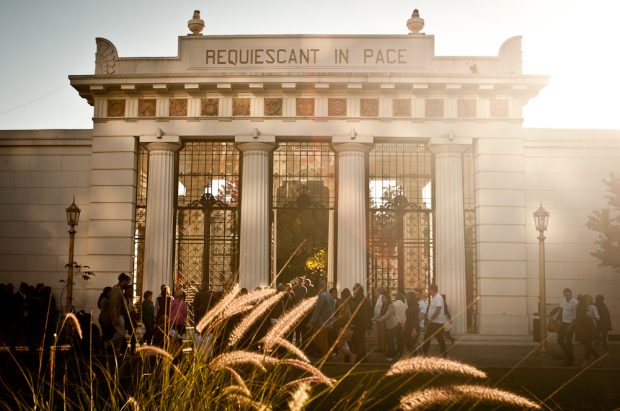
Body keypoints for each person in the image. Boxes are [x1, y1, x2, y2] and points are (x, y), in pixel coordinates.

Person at [307, 278, 335, 358]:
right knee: (323, 339)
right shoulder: (330, 296)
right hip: (328, 322)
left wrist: (311, 322)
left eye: (319, 284)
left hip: (320, 323)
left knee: (320, 340)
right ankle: (325, 355)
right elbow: (333, 310)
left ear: (320, 286)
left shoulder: (321, 296)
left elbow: (317, 311)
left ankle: (326, 356)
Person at [372, 293, 401, 361]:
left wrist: (377, 320)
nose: (382, 299)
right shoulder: (383, 305)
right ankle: (390, 352)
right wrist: (373, 318)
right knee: (388, 340)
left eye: (384, 298)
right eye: (382, 298)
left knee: (390, 340)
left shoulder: (391, 306)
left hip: (393, 325)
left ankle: (392, 355)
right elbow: (380, 313)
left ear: (388, 299)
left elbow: (386, 316)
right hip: (388, 326)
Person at [422, 284, 447, 358]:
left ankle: (425, 353)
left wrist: (431, 319)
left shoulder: (438, 297)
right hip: (435, 322)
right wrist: (428, 315)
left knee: (427, 337)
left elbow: (438, 309)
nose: (428, 291)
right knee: (439, 338)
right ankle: (444, 354)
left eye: (429, 290)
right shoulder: (435, 297)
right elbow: (433, 309)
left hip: (435, 322)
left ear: (432, 290)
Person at [108, 273, 131, 354]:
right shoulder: (116, 289)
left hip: (120, 314)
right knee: (121, 333)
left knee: (122, 333)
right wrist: (115, 316)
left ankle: (117, 350)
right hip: (116, 314)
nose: (128, 284)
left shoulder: (120, 290)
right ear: (123, 281)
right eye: (127, 282)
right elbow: (114, 304)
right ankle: (108, 344)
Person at [349, 283, 372, 361]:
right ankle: (361, 357)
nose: (353, 290)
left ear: (358, 290)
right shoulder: (360, 298)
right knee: (359, 340)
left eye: (354, 289)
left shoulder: (360, 299)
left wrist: (366, 326)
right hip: (359, 323)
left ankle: (360, 357)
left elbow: (364, 313)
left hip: (360, 324)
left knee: (359, 341)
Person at [575, 294, 599, 364]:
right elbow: (585, 316)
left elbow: (582, 317)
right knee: (587, 343)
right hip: (586, 328)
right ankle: (595, 356)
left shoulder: (581, 307)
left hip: (586, 328)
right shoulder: (582, 307)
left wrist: (589, 315)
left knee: (587, 343)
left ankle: (587, 359)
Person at [558, 287, 578, 366]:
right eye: (565, 294)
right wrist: (559, 320)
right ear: (564, 294)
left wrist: (571, 325)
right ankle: (570, 355)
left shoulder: (575, 302)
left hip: (570, 324)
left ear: (571, 293)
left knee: (568, 342)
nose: (567, 295)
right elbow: (561, 311)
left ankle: (569, 359)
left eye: (568, 293)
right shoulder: (563, 301)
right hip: (563, 323)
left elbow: (575, 316)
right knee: (559, 341)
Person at [404, 291, 420, 356]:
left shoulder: (415, 306)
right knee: (408, 344)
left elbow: (416, 319)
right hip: (408, 327)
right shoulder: (409, 306)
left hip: (414, 328)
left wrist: (414, 329)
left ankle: (415, 359)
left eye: (407, 297)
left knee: (411, 345)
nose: (405, 298)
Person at [392, 292, 408, 357]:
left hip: (396, 323)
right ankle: (401, 351)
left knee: (396, 338)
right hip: (403, 323)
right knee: (401, 338)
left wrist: (399, 321)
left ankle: (396, 351)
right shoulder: (405, 305)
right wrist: (403, 322)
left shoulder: (394, 304)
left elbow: (395, 314)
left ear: (396, 297)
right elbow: (406, 315)